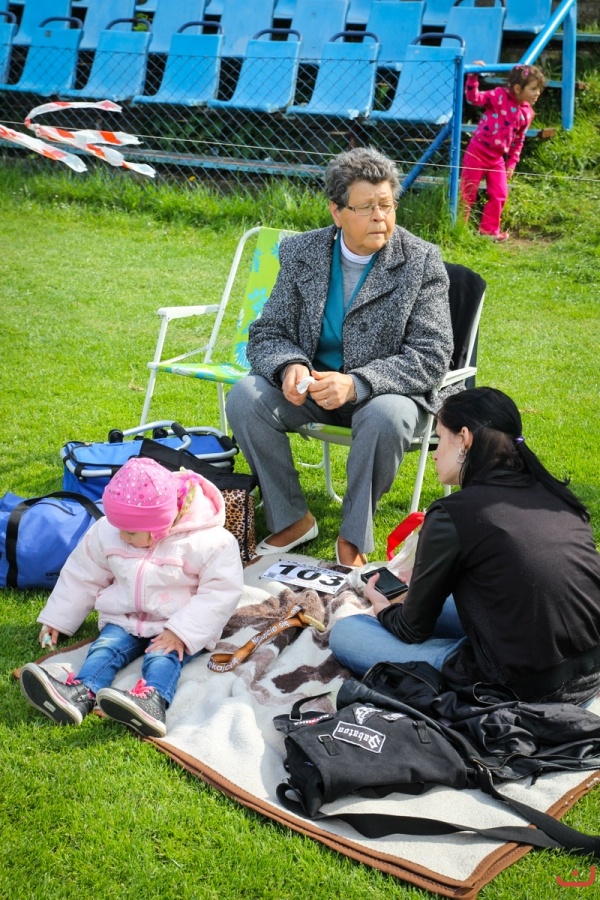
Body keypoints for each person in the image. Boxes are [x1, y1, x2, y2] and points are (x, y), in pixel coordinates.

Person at [226, 147, 453, 568]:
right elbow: (268, 332)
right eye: (366, 207)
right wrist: (289, 366)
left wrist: (357, 383)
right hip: (314, 391)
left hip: (387, 395)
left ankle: (352, 537)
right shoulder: (302, 252)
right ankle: (292, 518)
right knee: (244, 397)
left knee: (386, 416)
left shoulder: (421, 261)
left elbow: (432, 355)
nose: (380, 217)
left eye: (387, 205)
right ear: (336, 211)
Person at [330, 387, 600, 706]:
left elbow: (411, 630)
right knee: (435, 602)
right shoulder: (554, 495)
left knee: (346, 633)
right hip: (590, 671)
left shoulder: (453, 514)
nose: (434, 453)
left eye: (440, 438)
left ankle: (447, 654)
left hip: (523, 688)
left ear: (464, 438)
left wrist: (384, 609)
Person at [20, 457, 243, 737]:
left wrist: (181, 632)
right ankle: (80, 693)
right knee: (105, 648)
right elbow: (82, 574)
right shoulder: (109, 531)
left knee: (162, 657)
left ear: (161, 525)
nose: (122, 536)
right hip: (124, 617)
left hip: (175, 624)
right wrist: (57, 619)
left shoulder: (210, 542)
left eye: (131, 532)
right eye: (117, 527)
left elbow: (220, 593)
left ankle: (152, 700)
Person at [460, 63, 546, 242]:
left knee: (500, 194)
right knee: (468, 192)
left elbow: (519, 140)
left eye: (539, 89)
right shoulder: (498, 96)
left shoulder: (527, 113)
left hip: (497, 159)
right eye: (533, 89)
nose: (537, 93)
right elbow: (473, 99)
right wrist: (473, 77)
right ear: (518, 88)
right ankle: (459, 228)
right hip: (477, 151)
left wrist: (512, 162)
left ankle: (488, 232)